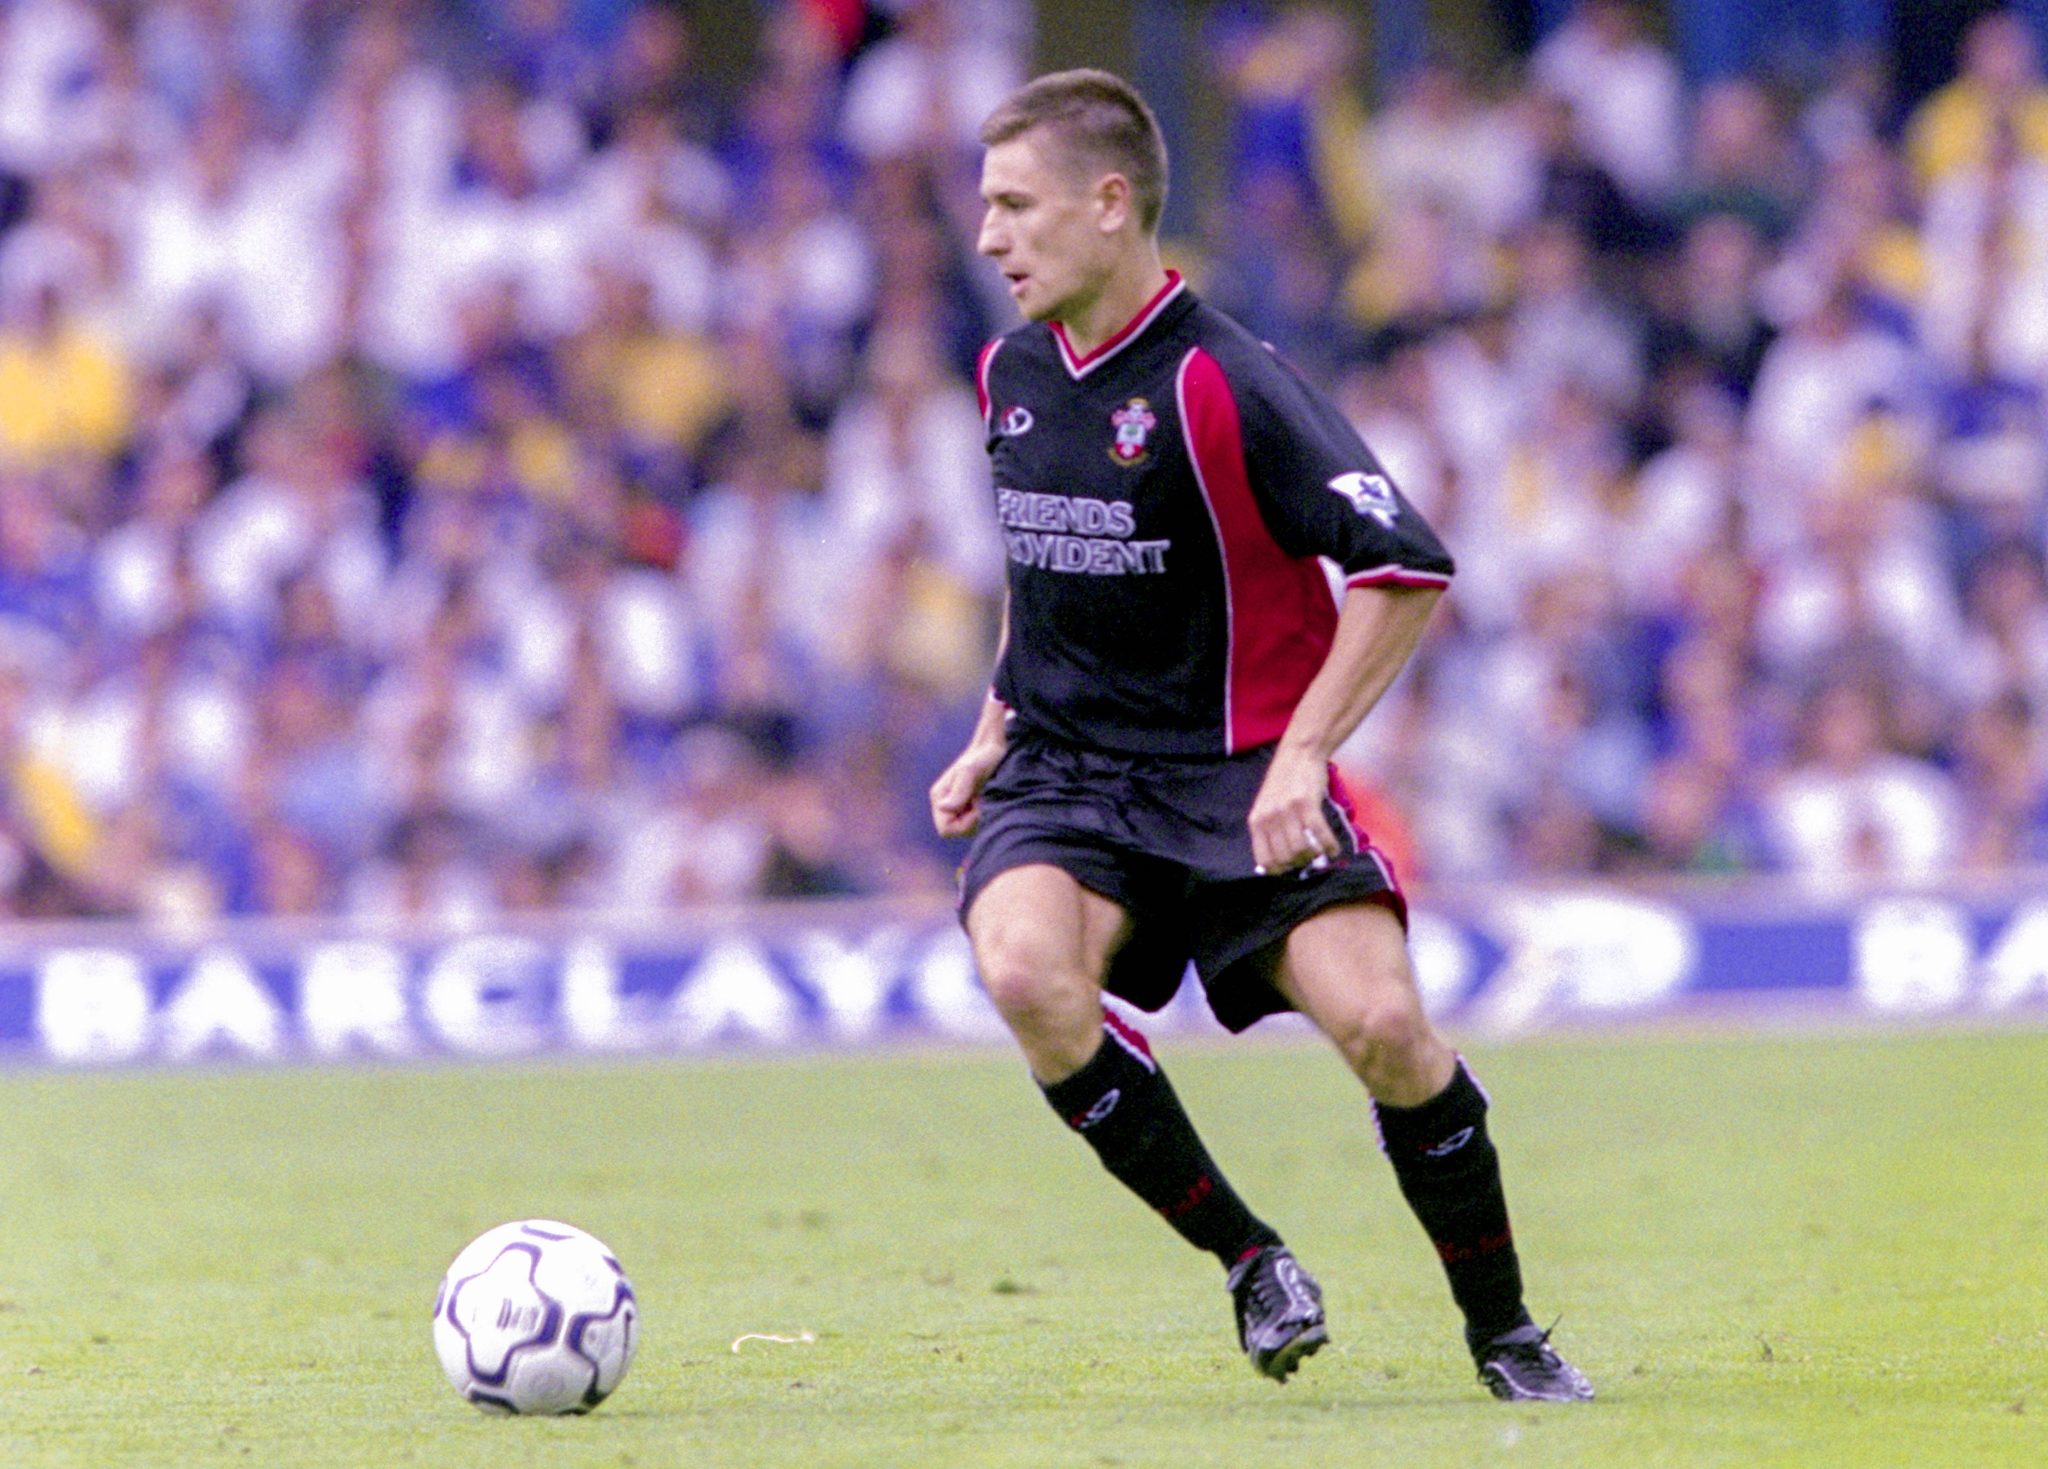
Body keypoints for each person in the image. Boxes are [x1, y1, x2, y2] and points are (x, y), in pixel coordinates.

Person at [929, 69, 1592, 1403]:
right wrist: (993, 722)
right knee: (1025, 973)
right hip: (1066, 774)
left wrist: (1299, 758)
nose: (989, 235)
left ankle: (1506, 1332)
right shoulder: (1007, 372)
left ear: (1110, 205)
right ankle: (1249, 1257)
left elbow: (1404, 568)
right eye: (985, 206)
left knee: (1390, 1026)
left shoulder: (1230, 381)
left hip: (1237, 780)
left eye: (1014, 204)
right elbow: (1041, 567)